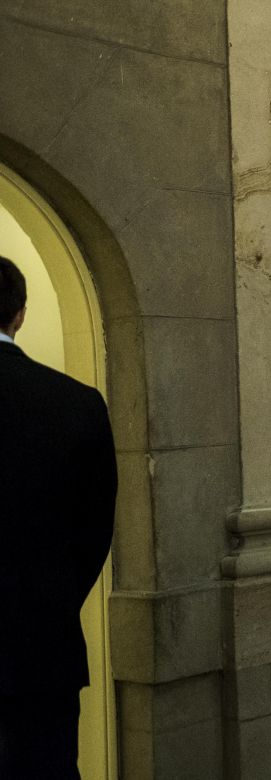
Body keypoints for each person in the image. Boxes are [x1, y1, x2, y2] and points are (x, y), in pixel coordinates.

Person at [0, 255, 117, 778]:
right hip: (43, 649)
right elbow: (95, 531)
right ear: (20, 314)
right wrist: (51, 600)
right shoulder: (77, 404)